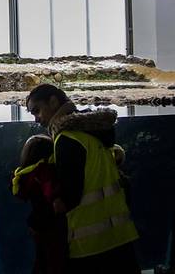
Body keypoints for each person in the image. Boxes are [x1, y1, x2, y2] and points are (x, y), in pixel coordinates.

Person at [26, 84, 139, 274]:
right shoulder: (93, 134)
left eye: (37, 110)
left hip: (90, 244)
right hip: (120, 235)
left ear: (53, 101)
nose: (37, 119)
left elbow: (70, 196)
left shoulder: (66, 139)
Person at [11, 134, 67, 274]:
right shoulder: (54, 171)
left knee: (45, 262)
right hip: (60, 231)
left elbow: (43, 206)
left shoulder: (35, 176)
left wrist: (34, 223)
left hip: (47, 230)